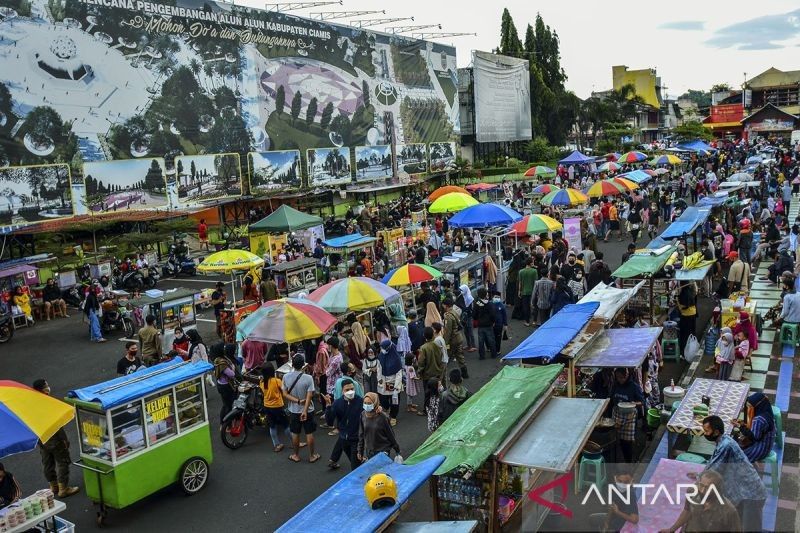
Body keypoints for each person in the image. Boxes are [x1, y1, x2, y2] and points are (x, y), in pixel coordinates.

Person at [700, 415, 768, 531]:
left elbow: (713, 469)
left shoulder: (726, 446)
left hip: (751, 495)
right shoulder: (724, 441)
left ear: (716, 432)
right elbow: (713, 462)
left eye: (707, 431)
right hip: (743, 493)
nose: (704, 433)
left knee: (750, 528)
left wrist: (699, 479)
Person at [31, 380, 80, 497]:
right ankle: (63, 488)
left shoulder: (31, 403)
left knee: (47, 463)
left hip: (41, 438)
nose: (48, 387)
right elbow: (56, 425)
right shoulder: (47, 402)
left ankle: (53, 486)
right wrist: (64, 439)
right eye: (46, 385)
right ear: (43, 389)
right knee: (63, 462)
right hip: (54, 438)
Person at [659, 469, 741, 533]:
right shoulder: (692, 492)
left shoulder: (729, 511)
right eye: (701, 485)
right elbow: (687, 511)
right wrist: (671, 529)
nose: (702, 490)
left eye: (708, 488)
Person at [282, 354, 320, 463]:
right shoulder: (308, 378)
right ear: (303, 365)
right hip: (308, 410)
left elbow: (285, 394)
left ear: (292, 364)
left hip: (293, 410)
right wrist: (304, 411)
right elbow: (309, 396)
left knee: (295, 433)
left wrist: (297, 401)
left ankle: (296, 455)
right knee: (309, 433)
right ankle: (312, 455)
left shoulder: (286, 377)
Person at [328, 379, 364, 470]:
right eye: (347, 390)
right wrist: (328, 407)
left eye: (352, 389)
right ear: (342, 391)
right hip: (344, 439)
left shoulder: (361, 401)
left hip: (357, 439)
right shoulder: (337, 403)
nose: (350, 392)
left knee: (355, 466)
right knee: (354, 462)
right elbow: (330, 421)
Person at [589, 466, 639, 531]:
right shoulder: (613, 488)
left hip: (622, 522)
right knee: (592, 519)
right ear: (615, 478)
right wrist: (606, 522)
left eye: (626, 482)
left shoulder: (631, 494)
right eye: (620, 481)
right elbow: (612, 506)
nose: (622, 484)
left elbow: (635, 519)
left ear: (631, 481)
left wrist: (618, 512)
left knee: (593, 519)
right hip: (614, 517)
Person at [611, 368, 644, 463]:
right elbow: (611, 398)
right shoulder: (615, 385)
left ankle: (630, 461)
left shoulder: (634, 387)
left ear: (627, 376)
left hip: (629, 416)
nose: (620, 380)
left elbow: (642, 402)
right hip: (617, 415)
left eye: (622, 378)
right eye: (618, 378)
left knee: (628, 442)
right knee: (617, 440)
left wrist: (633, 403)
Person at [733, 392, 776, 463]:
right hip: (768, 443)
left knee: (733, 453)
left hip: (760, 448)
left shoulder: (758, 419)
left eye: (750, 407)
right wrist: (742, 425)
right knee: (736, 438)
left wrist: (740, 426)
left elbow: (753, 437)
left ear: (756, 407)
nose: (748, 410)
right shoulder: (767, 412)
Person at [358, 392, 400, 462]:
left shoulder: (382, 417)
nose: (366, 405)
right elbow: (361, 434)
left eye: (369, 403)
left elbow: (390, 434)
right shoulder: (363, 415)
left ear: (375, 403)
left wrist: (397, 449)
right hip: (370, 451)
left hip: (383, 450)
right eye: (365, 403)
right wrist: (360, 450)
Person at [260, 364, 291, 452]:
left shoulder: (262, 382)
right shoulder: (276, 381)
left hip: (267, 406)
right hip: (277, 406)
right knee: (286, 424)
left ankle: (276, 445)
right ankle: (294, 441)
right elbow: (284, 391)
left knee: (272, 426)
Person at [416, 327, 443, 414]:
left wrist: (419, 372)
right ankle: (438, 406)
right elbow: (441, 358)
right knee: (436, 391)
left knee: (427, 393)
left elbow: (421, 362)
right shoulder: (437, 345)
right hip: (437, 372)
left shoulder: (423, 348)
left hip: (427, 374)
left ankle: (426, 410)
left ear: (424, 336)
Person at [376, 339, 403, 426]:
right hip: (383, 381)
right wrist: (379, 378)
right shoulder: (381, 355)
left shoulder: (396, 358)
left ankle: (393, 416)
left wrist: (396, 386)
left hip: (393, 382)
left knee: (394, 401)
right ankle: (386, 411)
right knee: (383, 399)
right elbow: (379, 367)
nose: (382, 350)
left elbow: (399, 374)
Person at [212, 343, 239, 425]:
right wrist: (233, 368)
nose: (224, 348)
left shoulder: (217, 360)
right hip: (226, 386)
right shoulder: (222, 363)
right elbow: (231, 374)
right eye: (223, 347)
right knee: (228, 405)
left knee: (225, 404)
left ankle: (223, 423)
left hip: (221, 385)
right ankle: (227, 424)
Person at [442, 297, 468, 379]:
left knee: (446, 357)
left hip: (452, 340)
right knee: (460, 356)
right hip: (459, 337)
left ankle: (443, 376)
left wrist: (445, 343)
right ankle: (465, 373)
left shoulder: (448, 316)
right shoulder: (454, 312)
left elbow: (448, 331)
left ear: (445, 305)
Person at [473, 288, 497, 360]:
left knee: (481, 341)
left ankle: (482, 356)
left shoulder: (477, 304)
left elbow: (474, 315)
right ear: (485, 294)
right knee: (491, 340)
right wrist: (493, 321)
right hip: (489, 325)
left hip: (480, 325)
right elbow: (493, 314)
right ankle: (493, 354)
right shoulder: (489, 304)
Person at [677, 282, 698, 357]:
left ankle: (683, 352)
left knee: (684, 334)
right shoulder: (691, 291)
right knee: (692, 333)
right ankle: (692, 351)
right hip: (693, 314)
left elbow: (683, 307)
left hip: (686, 316)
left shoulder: (683, 294)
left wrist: (677, 301)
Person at [518, 258, 538, 326]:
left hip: (524, 291)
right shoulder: (534, 271)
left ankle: (527, 321)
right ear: (531, 263)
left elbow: (520, 283)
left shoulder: (521, 271)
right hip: (533, 291)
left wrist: (519, 291)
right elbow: (536, 282)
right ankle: (534, 321)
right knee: (534, 306)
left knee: (526, 307)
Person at [456, 284, 476, 351]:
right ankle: (468, 345)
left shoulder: (470, 298)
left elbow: (471, 309)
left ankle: (473, 346)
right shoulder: (462, 296)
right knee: (466, 331)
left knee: (470, 331)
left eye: (462, 290)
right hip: (464, 317)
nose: (461, 291)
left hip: (469, 316)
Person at [491, 291, 508, 356]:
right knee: (492, 338)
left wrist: (505, 325)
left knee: (498, 338)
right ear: (493, 297)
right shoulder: (490, 304)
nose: (496, 298)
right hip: (491, 325)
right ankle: (492, 349)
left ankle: (497, 350)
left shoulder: (502, 306)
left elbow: (504, 316)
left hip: (499, 325)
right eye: (495, 297)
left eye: (498, 297)